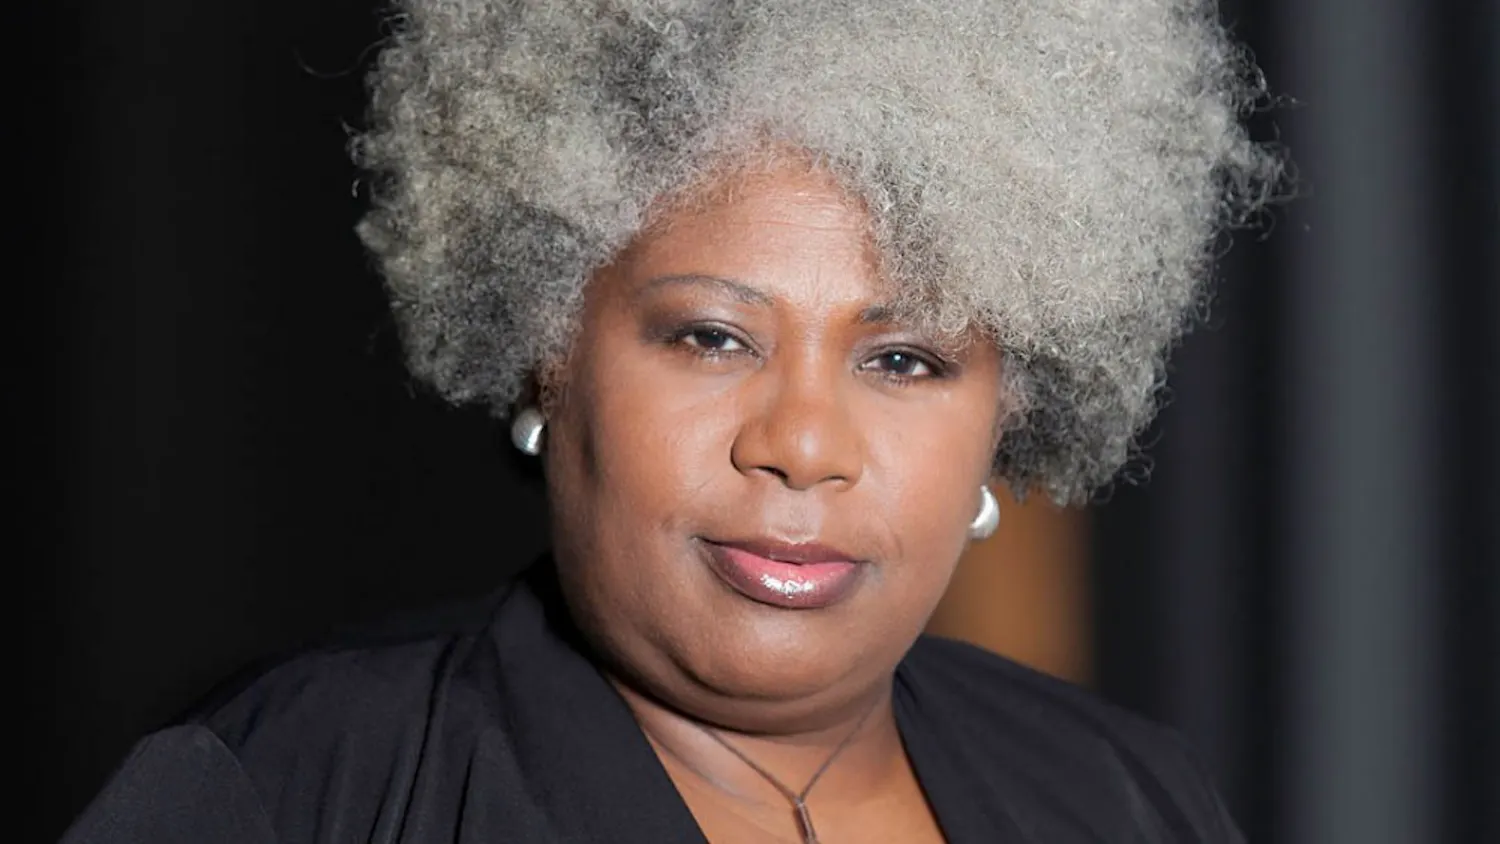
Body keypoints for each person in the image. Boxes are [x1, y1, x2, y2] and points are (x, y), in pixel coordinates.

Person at [62, 1, 1282, 841]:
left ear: (1005, 411)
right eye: (712, 336)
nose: (803, 442)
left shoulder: (1128, 797)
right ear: (549, 351)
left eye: (904, 358)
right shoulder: (295, 791)